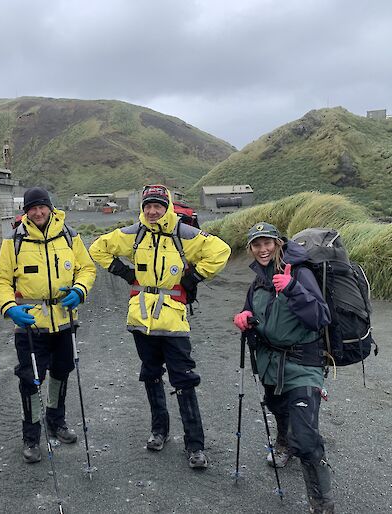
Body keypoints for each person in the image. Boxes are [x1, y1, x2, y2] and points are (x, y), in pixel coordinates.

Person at [89, 184, 230, 469]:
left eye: (158, 205)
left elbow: (221, 251)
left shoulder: (184, 233)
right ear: (142, 208)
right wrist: (125, 272)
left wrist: (195, 277)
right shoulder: (134, 234)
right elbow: (97, 248)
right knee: (151, 373)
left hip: (174, 320)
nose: (152, 211)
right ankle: (159, 431)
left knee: (184, 378)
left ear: (167, 207)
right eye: (148, 206)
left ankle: (195, 446)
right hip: (141, 320)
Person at [0, 187, 96, 463]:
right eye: (32, 208)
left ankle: (56, 421)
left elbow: (87, 268)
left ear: (50, 207)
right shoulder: (13, 241)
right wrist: (10, 308)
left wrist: (80, 290)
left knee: (62, 372)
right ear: (26, 211)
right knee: (30, 379)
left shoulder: (70, 236)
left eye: (42, 207)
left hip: (64, 321)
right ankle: (31, 435)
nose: (37, 212)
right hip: (30, 326)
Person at [233, 222, 333, 514]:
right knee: (277, 406)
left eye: (268, 243)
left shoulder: (299, 273)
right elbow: (251, 308)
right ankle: (283, 443)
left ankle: (322, 503)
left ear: (278, 244)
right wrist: (245, 316)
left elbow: (320, 317)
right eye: (256, 244)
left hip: (303, 363)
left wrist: (292, 289)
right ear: (251, 248)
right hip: (270, 362)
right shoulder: (258, 280)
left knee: (306, 438)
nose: (262, 249)